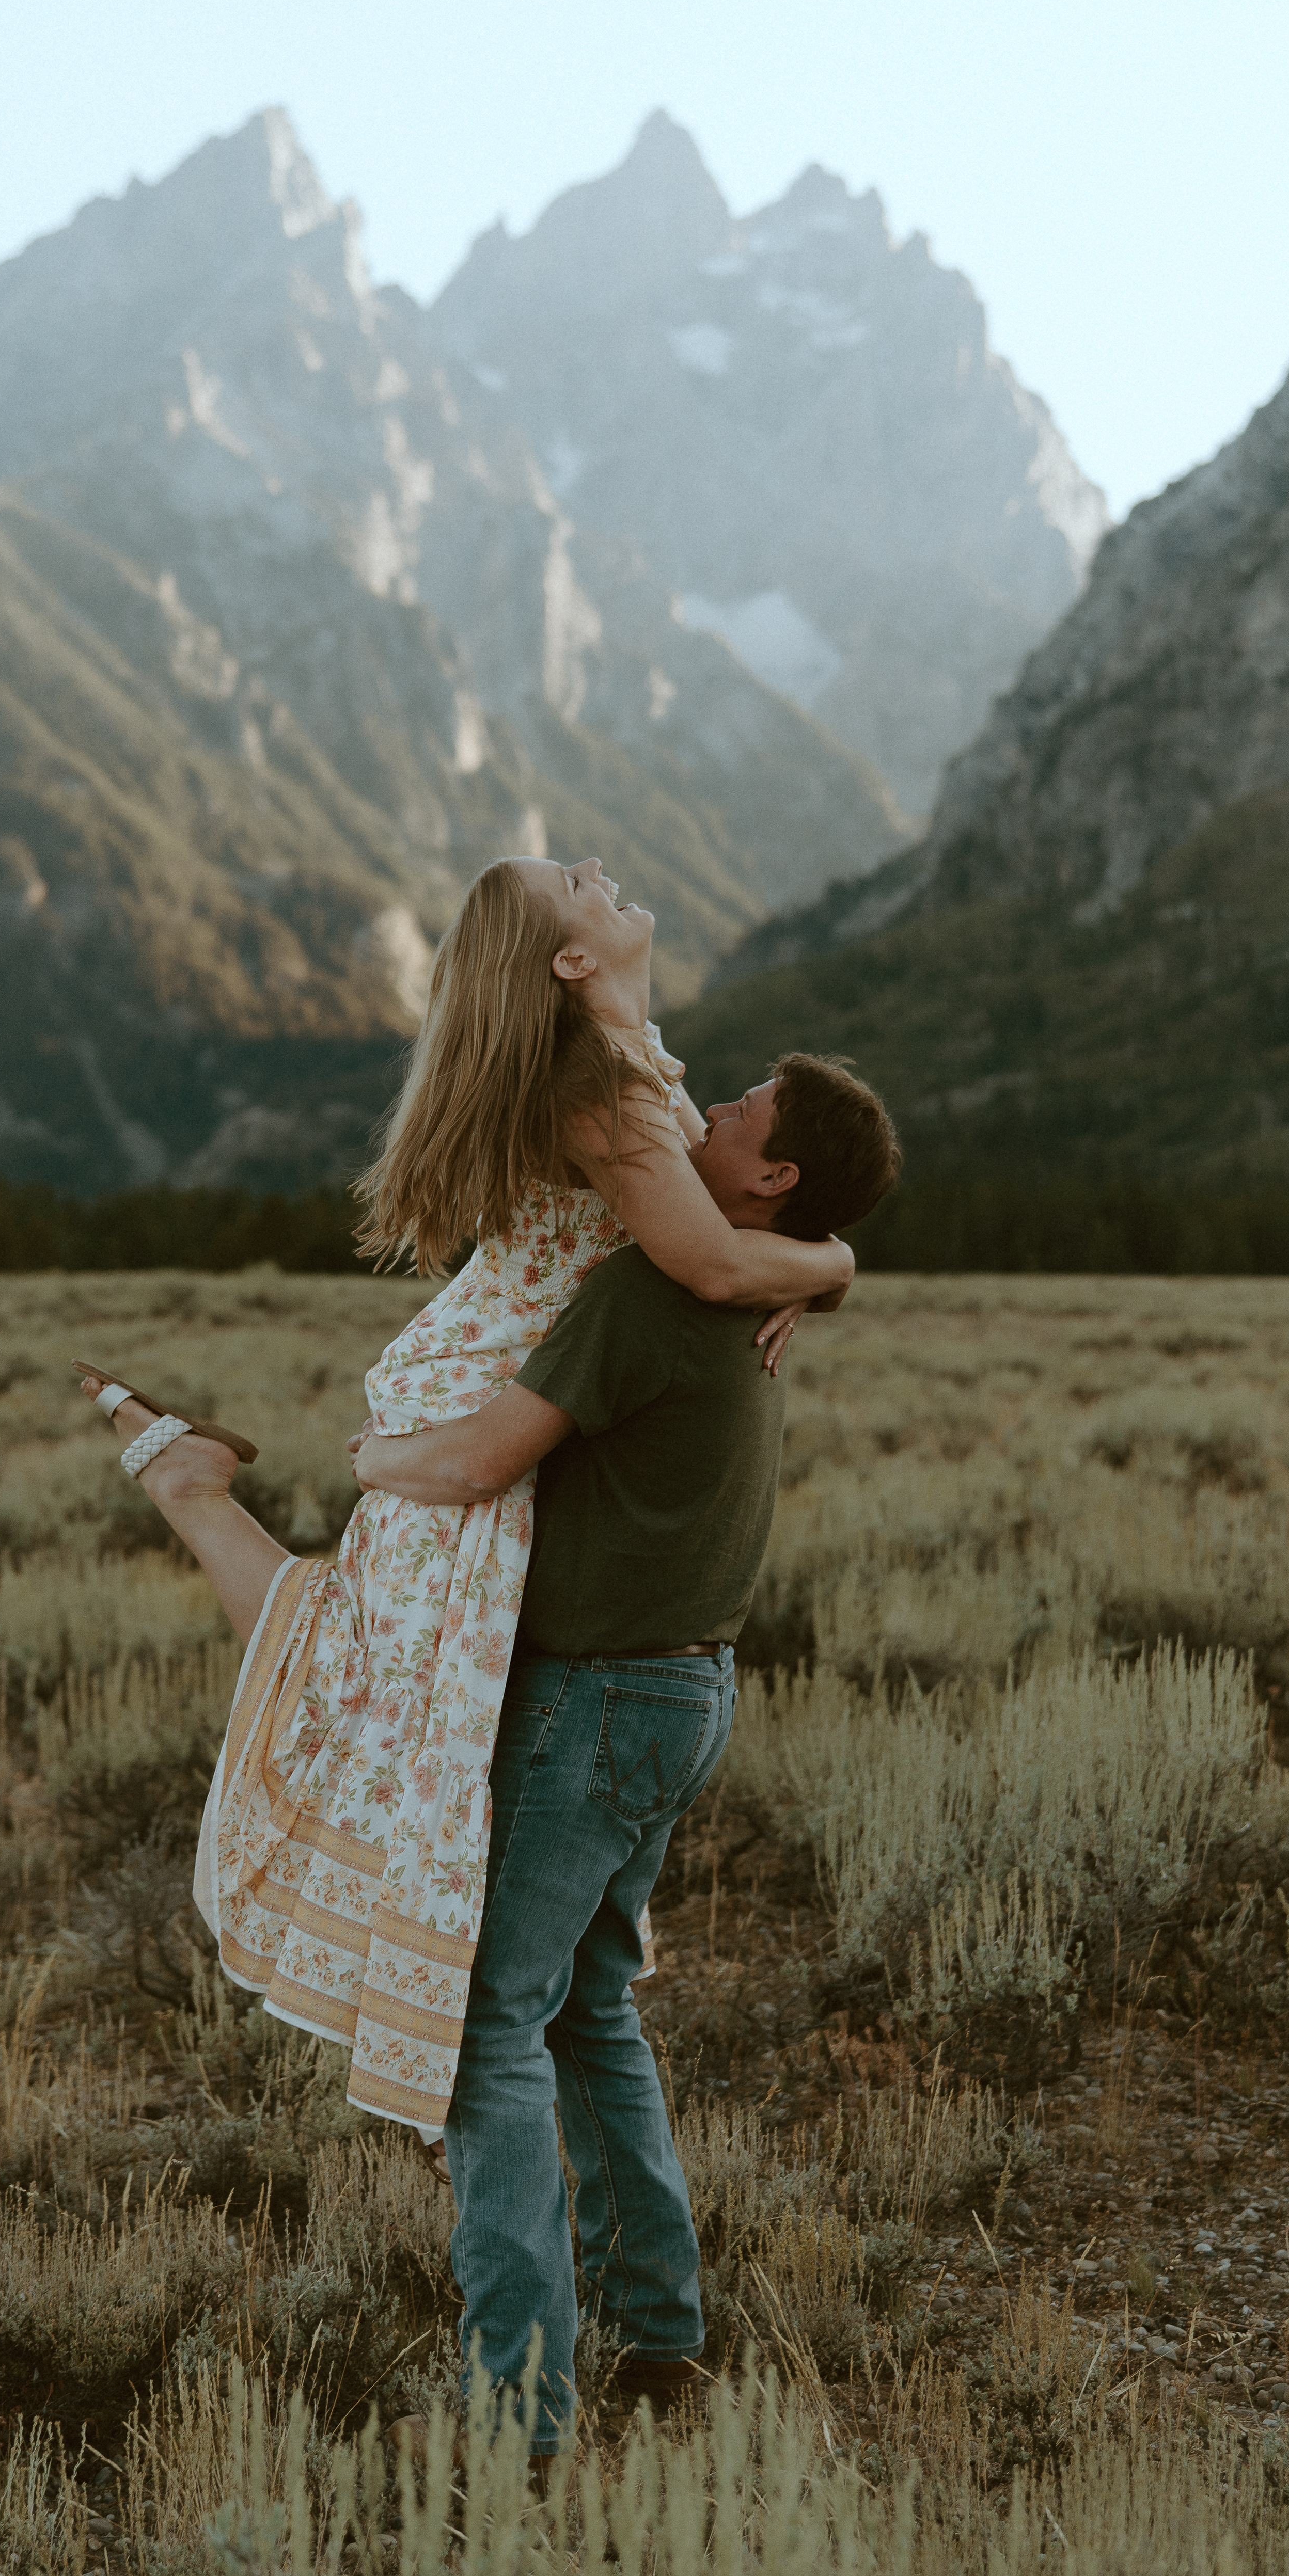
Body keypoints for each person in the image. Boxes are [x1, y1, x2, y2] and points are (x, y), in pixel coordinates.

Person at [77, 855, 852, 2144]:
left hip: (498, 1386)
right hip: (486, 1401)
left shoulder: (633, 1058)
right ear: (571, 962)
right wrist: (833, 1261)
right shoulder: (603, 1088)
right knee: (363, 1670)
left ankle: (190, 1480)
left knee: (368, 1655)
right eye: (576, 882)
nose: (600, 869)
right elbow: (713, 1263)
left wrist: (812, 1270)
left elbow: (718, 1244)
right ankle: (190, 1488)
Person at [350, 1047, 901, 2463]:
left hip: (593, 1707)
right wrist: (832, 1265)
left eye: (743, 1112)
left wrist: (371, 1460)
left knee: (488, 2034)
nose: (708, 1109)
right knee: (588, 2008)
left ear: (772, 1177)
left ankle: (521, 2416)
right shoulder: (749, 1287)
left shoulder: (654, 1293)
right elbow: (808, 1259)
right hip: (685, 1694)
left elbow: (477, 1461)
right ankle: (661, 2336)